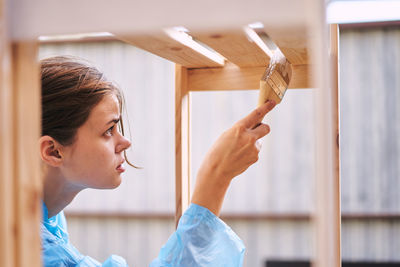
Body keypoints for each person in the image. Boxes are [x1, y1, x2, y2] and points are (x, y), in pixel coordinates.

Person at [39, 56, 276, 267]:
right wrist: (216, 175)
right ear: (53, 151)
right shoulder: (38, 253)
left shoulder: (46, 218)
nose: (125, 142)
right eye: (108, 130)